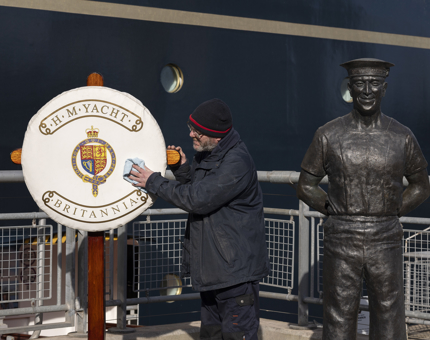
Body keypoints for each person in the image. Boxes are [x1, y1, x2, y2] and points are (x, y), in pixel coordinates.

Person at [297, 58, 430, 340]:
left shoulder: (402, 136)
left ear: (384, 89)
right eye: (360, 84)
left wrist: (397, 209)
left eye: (374, 84)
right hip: (341, 236)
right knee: (338, 314)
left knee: (389, 314)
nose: (367, 90)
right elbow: (306, 185)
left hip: (386, 236)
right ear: (350, 88)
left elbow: (421, 184)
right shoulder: (328, 135)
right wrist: (332, 210)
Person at [129, 98, 270, 340]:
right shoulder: (211, 154)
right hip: (215, 273)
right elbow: (203, 188)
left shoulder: (237, 163)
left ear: (216, 136)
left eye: (198, 131)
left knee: (238, 335)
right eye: (191, 127)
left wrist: (153, 181)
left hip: (234, 276)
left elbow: (198, 199)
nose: (191, 134)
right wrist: (183, 168)